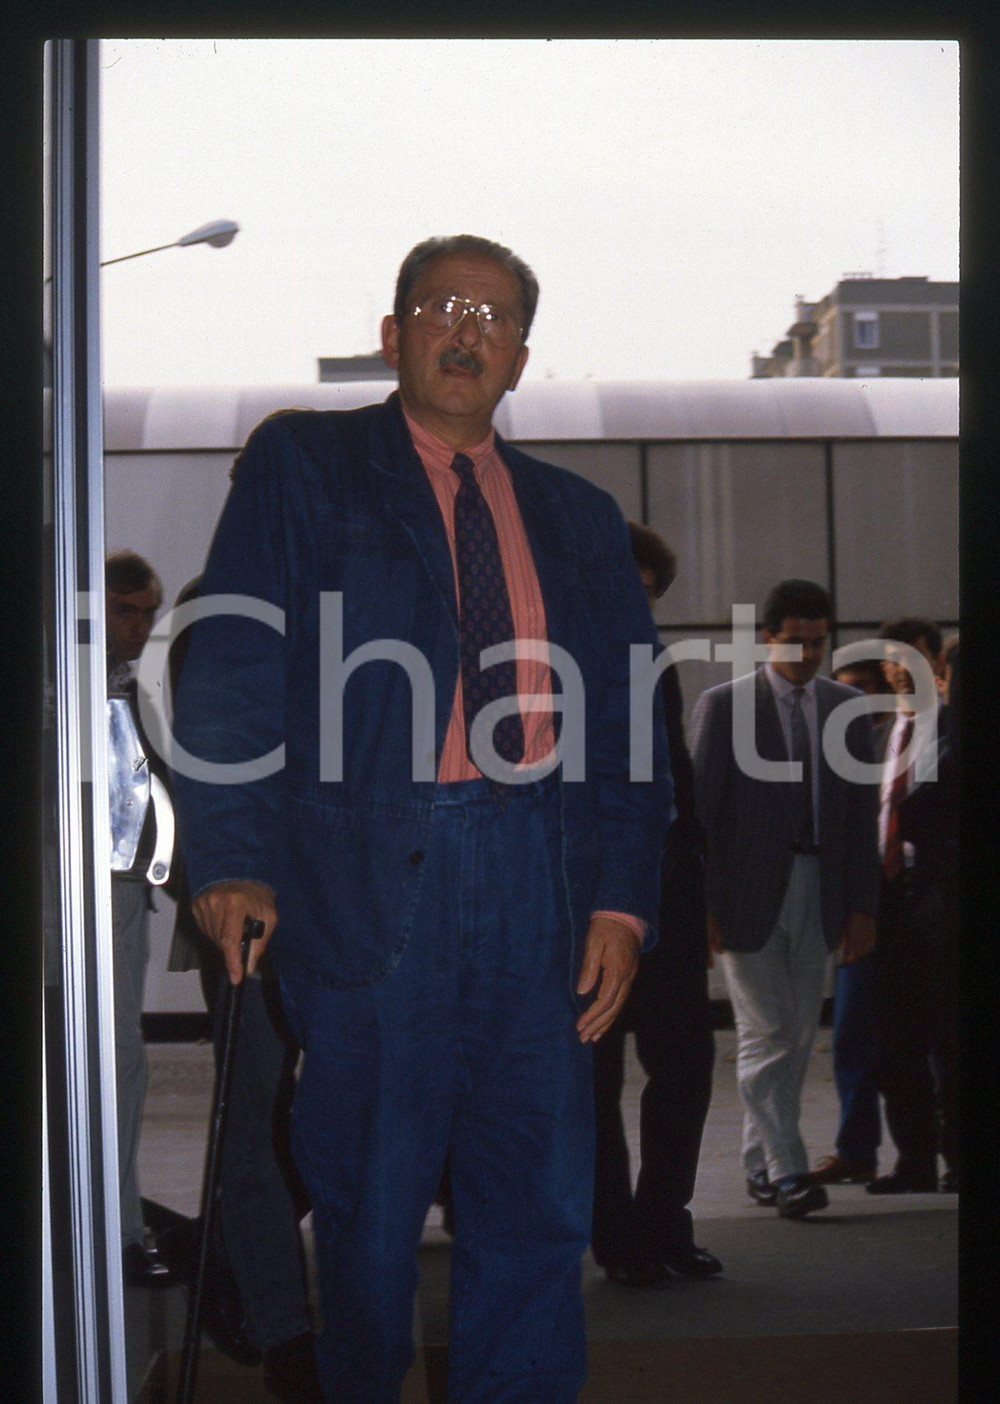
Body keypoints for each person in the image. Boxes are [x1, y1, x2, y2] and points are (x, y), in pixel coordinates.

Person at [170, 234, 673, 1401]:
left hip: (540, 882)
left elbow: (624, 735)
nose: (466, 330)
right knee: (367, 1219)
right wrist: (233, 856)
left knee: (539, 1211)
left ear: (521, 360)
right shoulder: (306, 462)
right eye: (441, 306)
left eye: (494, 319)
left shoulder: (580, 517)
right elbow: (237, 665)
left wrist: (619, 898)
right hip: (373, 882)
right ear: (393, 334)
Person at [164, 572, 321, 1400]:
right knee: (255, 1117)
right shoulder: (220, 605)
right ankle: (281, 1325)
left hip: (349, 910)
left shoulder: (351, 594)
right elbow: (215, 757)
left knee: (327, 1111)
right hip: (253, 911)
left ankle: (234, 1257)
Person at [691, 579, 880, 1219]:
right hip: (745, 896)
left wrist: (863, 906)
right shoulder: (724, 707)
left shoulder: (845, 708)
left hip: (820, 888)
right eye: (795, 642)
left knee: (795, 1037)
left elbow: (859, 817)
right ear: (766, 637)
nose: (807, 654)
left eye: (819, 643)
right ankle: (791, 1171)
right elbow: (702, 818)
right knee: (770, 1029)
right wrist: (704, 907)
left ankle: (758, 1164)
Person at [591, 523, 719, 1288]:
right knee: (595, 1081)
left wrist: (697, 890)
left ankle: (665, 1225)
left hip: (666, 893)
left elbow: (677, 783)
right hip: (594, 905)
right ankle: (620, 1242)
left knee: (687, 1067)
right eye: (625, 591)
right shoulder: (555, 670)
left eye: (648, 595)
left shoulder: (656, 664)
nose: (638, 607)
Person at [866, 617, 959, 1195]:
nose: (901, 668)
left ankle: (961, 1160)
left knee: (951, 1040)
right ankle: (913, 1161)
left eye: (913, 657)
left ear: (937, 664)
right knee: (891, 1041)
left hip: (939, 897)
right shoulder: (873, 736)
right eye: (891, 658)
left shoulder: (954, 726)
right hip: (884, 903)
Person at [105, 549, 173, 1287]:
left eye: (149, 612)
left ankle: (121, 1225)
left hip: (123, 902)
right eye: (129, 611)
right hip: (83, 908)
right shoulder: (76, 691)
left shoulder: (126, 688)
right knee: (114, 1066)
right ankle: (116, 1229)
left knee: (126, 1065)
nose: (142, 626)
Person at [802, 658, 895, 1188]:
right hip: (862, 906)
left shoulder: (903, 739)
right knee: (852, 1034)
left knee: (921, 1041)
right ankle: (857, 1148)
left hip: (909, 904)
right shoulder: (835, 750)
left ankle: (929, 1152)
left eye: (862, 690)